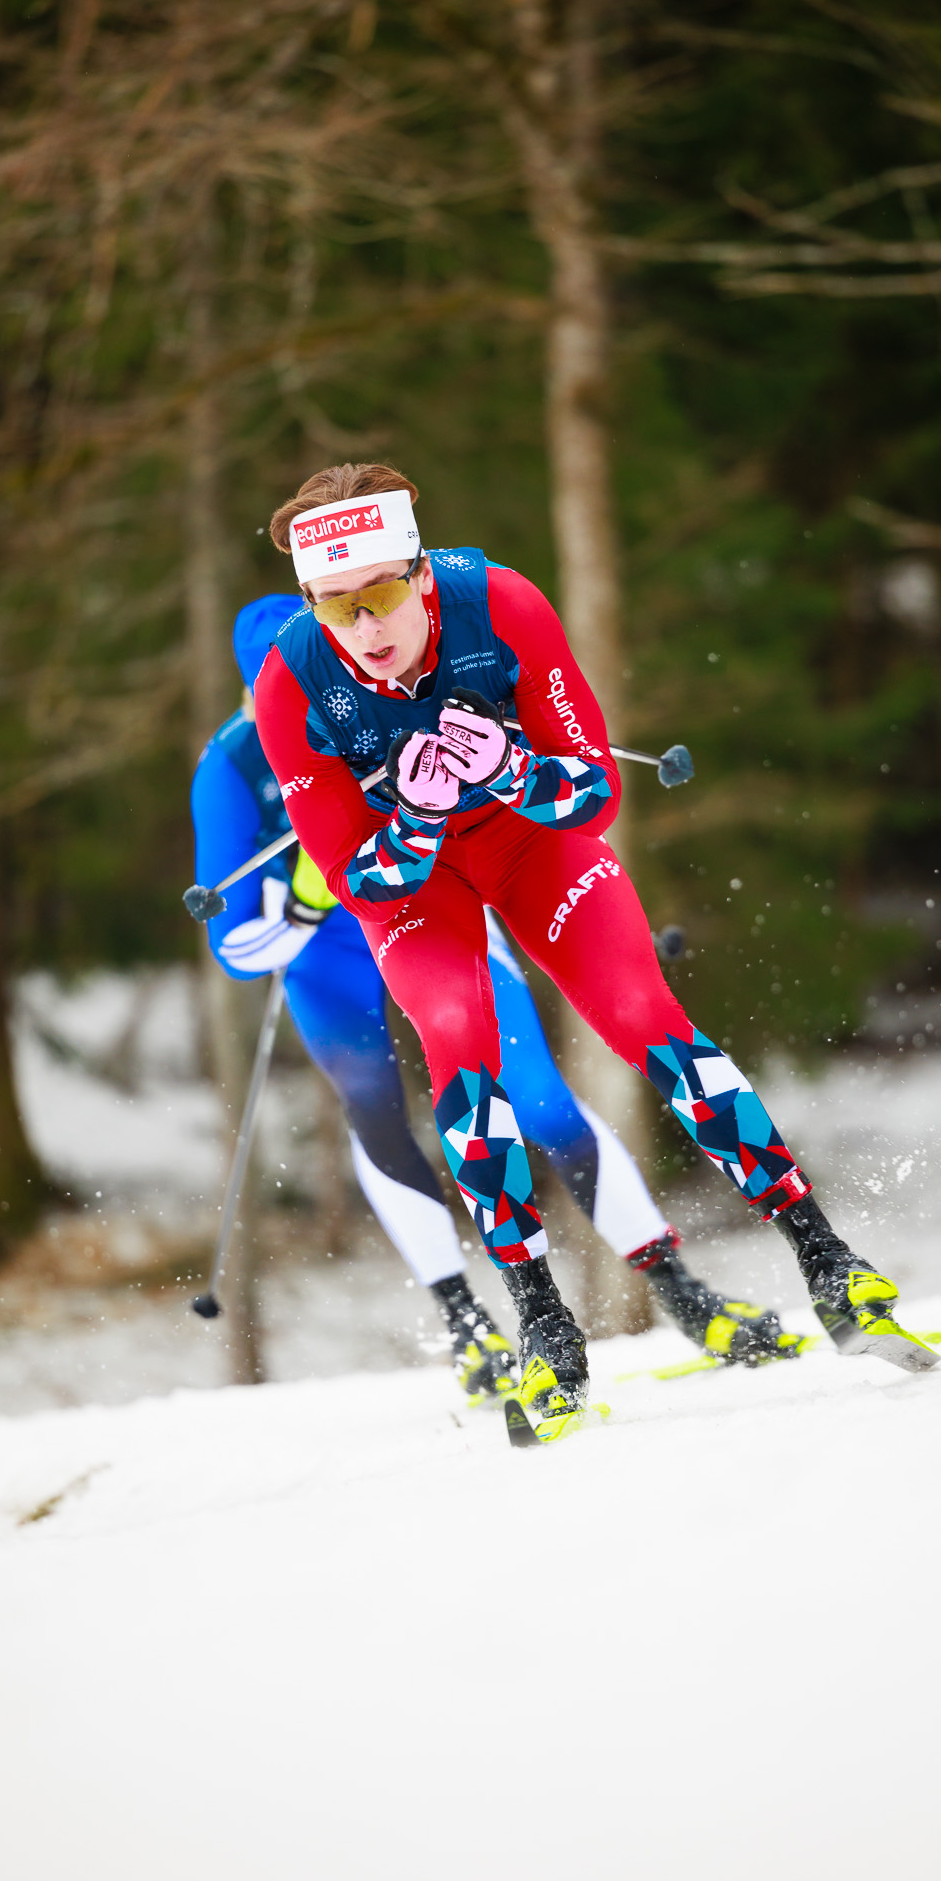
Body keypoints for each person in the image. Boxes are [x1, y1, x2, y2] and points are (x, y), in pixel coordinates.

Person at [255, 463, 937, 1436]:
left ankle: (828, 1261)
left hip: (530, 843)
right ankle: (543, 1324)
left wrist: (509, 769)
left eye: (381, 594)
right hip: (421, 882)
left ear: (419, 571)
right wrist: (416, 816)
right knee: (458, 1048)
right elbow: (358, 880)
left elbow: (593, 795)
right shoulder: (291, 680)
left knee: (644, 1017)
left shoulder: (500, 603)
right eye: (335, 605)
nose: (365, 627)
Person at [193, 596, 806, 1405]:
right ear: (254, 695)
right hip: (326, 951)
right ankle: (469, 1328)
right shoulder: (231, 766)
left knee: (540, 1101)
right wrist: (306, 899)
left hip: (432, 910)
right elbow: (236, 949)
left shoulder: (391, 689)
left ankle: (684, 1294)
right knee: (375, 1108)